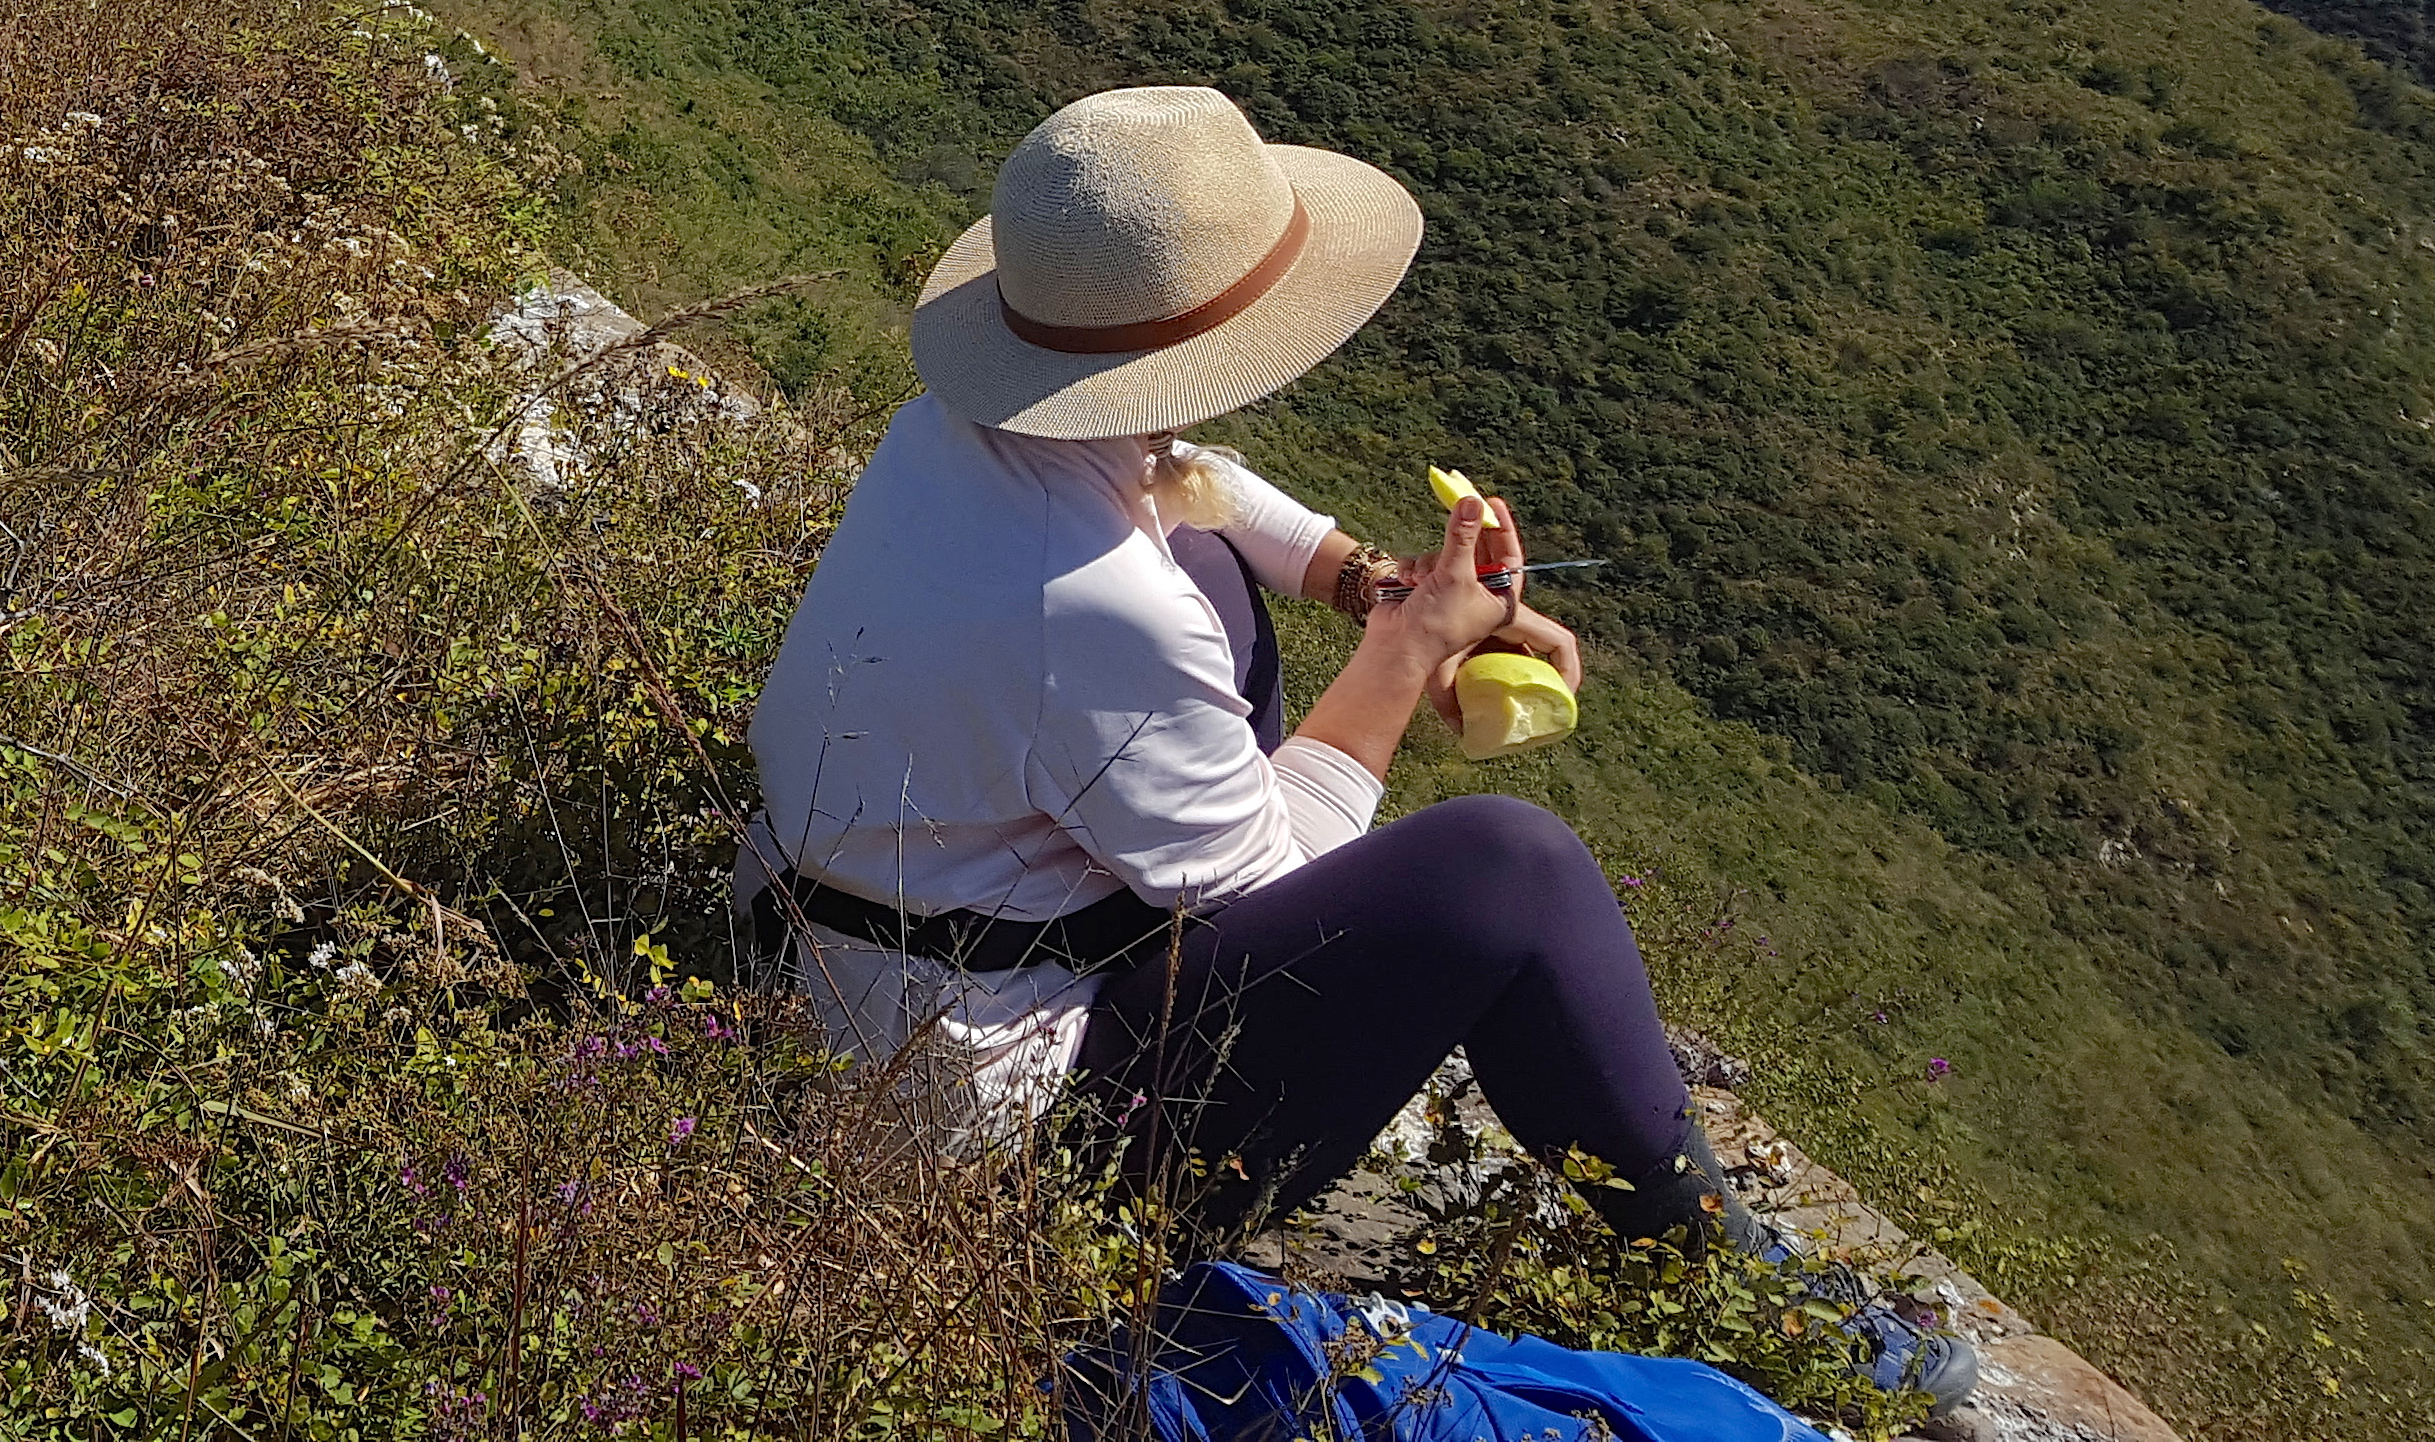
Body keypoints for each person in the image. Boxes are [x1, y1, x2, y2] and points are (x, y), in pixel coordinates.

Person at [741, 84, 1976, 1403]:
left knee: (1212, 568)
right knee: (1511, 872)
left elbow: (1184, 477)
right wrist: (1405, 654)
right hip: (991, 1139)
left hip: (849, 966)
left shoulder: (965, 435)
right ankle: (1748, 1285)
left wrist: (1368, 580)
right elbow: (1283, 897)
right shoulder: (1095, 605)